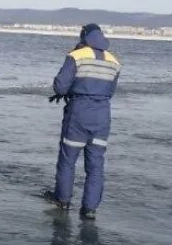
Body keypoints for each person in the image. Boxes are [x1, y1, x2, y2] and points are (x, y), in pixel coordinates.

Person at [44, 23, 121, 219]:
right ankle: (90, 209)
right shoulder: (114, 61)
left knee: (68, 159)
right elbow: (110, 92)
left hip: (79, 114)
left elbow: (60, 87)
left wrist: (72, 90)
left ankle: (62, 200)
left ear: (83, 36)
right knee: (96, 164)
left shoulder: (77, 56)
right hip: (103, 117)